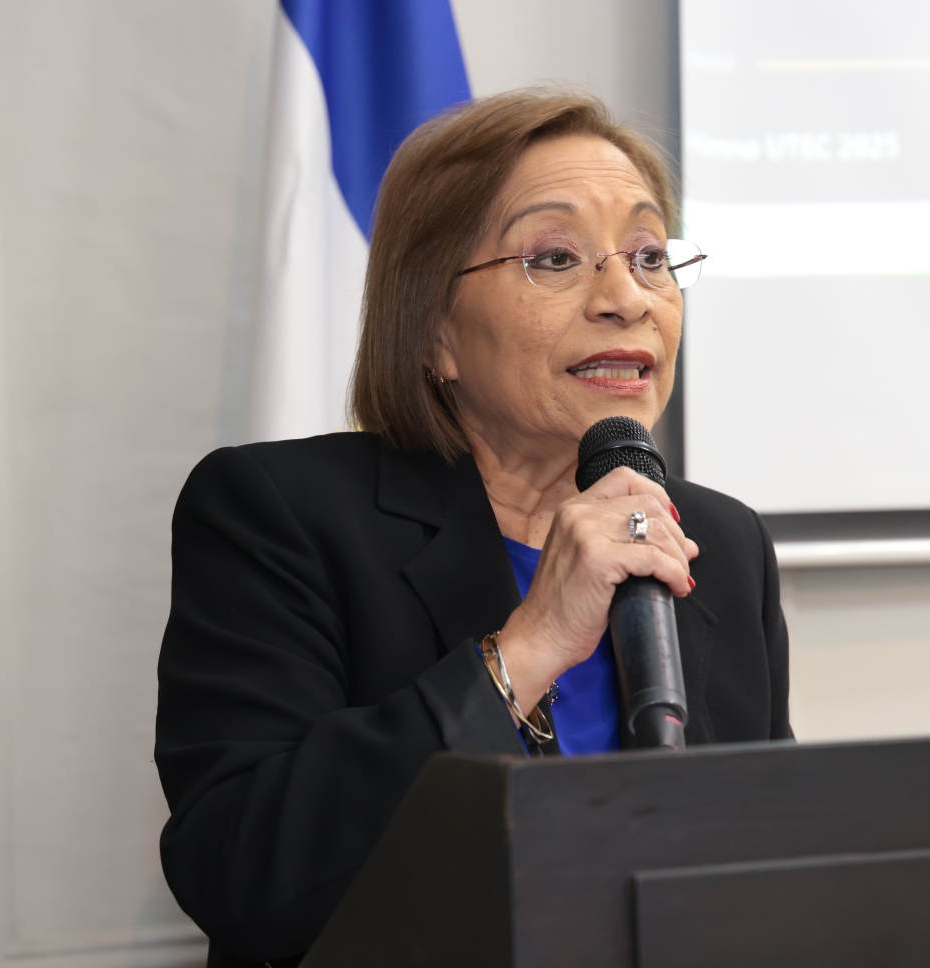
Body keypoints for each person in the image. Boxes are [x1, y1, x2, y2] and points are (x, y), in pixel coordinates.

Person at [155, 90, 792, 967]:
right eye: (556, 256)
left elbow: (775, 862)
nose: (627, 298)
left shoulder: (721, 541)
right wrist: (529, 647)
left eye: (650, 255)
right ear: (435, 332)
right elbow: (245, 877)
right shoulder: (279, 514)